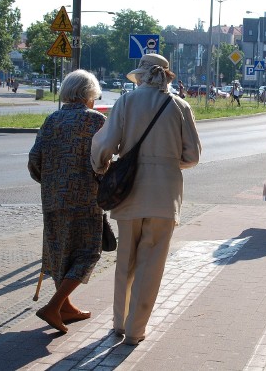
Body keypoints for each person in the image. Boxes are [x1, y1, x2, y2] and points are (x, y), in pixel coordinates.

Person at [90, 53, 201, 345]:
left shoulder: (126, 102)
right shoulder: (180, 106)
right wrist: (166, 161)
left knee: (125, 259)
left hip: (129, 190)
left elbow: (105, 143)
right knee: (151, 263)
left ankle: (118, 323)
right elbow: (192, 156)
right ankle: (136, 330)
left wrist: (101, 166)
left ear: (140, 75)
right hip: (165, 194)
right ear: (165, 76)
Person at [28, 70, 106, 334]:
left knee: (60, 252)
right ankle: (53, 306)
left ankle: (67, 308)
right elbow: (104, 160)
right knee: (88, 253)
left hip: (52, 199)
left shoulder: (52, 120)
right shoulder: (96, 122)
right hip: (86, 199)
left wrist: (51, 184)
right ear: (88, 95)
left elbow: (34, 160)